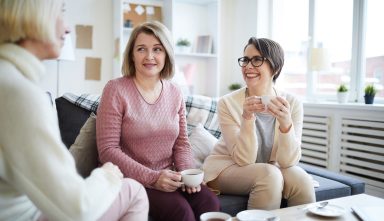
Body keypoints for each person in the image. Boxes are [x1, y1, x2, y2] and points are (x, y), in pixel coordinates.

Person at [0, 0, 149, 220]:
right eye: (61, 12)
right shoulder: (18, 92)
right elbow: (78, 208)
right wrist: (107, 175)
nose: (68, 28)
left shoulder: (11, 81)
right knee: (134, 191)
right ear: (36, 14)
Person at [96, 21, 220, 221]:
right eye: (141, 49)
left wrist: (188, 174)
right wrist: (153, 178)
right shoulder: (115, 89)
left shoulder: (175, 92)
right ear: (132, 55)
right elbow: (107, 150)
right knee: (181, 212)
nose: (149, 56)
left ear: (166, 54)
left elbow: (181, 144)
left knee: (210, 203)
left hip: (170, 176)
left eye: (157, 49)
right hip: (131, 179)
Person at [203, 37, 316, 210]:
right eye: (245, 60)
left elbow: (288, 162)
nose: (248, 66)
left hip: (270, 166)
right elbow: (243, 160)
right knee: (269, 175)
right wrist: (247, 118)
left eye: (257, 60)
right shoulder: (227, 103)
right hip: (227, 167)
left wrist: (286, 125)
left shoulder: (292, 104)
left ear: (275, 67)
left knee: (301, 179)